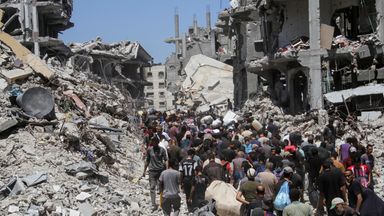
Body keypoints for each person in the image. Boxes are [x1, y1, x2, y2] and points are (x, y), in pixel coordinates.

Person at [142, 137, 168, 211]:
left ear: (158, 142)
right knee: (152, 187)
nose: (154, 142)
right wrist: (144, 171)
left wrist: (166, 169)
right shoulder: (150, 150)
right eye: (153, 141)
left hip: (160, 171)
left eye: (156, 141)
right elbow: (147, 160)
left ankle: (161, 203)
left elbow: (166, 160)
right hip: (152, 171)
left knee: (161, 188)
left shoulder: (162, 150)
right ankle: (153, 204)